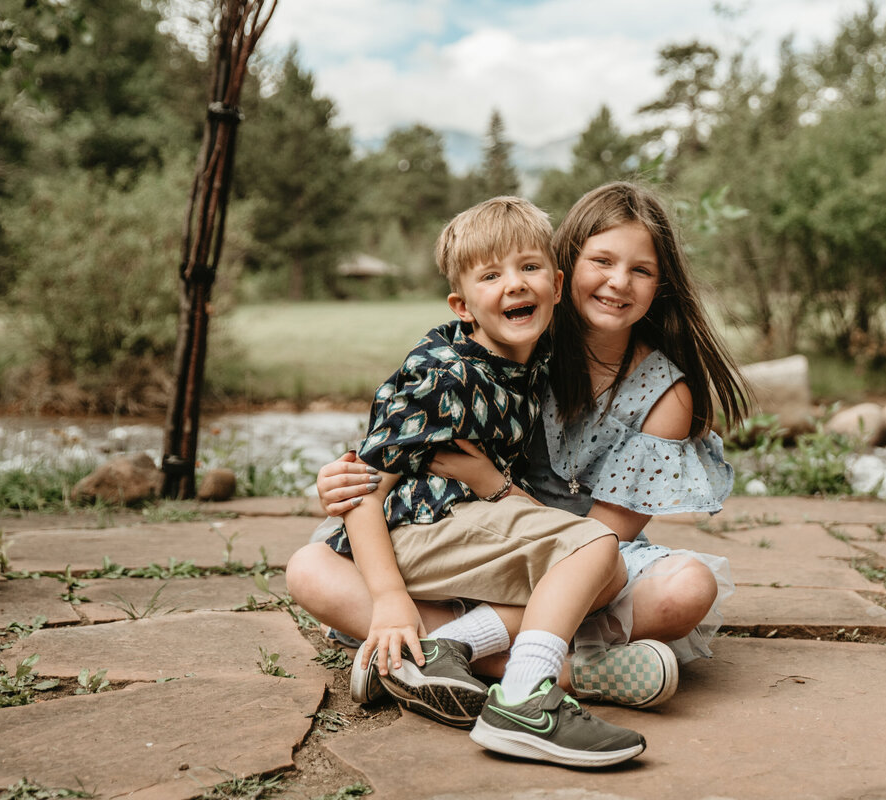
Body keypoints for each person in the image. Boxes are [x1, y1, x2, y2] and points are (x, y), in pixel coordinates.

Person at [317, 181, 748, 686]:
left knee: (687, 588)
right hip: (481, 541)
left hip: (583, 554)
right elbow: (411, 429)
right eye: (602, 262)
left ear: (661, 285)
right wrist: (346, 477)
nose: (619, 283)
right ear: (567, 269)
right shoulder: (523, 338)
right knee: (311, 567)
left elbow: (600, 539)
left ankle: (453, 649)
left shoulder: (665, 396)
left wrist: (492, 484)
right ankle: (573, 671)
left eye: (642, 270)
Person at [286, 195, 648, 768]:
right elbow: (363, 490)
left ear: (556, 284)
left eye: (529, 268)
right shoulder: (444, 374)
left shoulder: (530, 357)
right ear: (463, 304)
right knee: (596, 546)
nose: (514, 285)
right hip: (421, 528)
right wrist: (388, 600)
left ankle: (439, 653)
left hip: (465, 526)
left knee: (605, 573)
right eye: (490, 275)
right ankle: (526, 699)